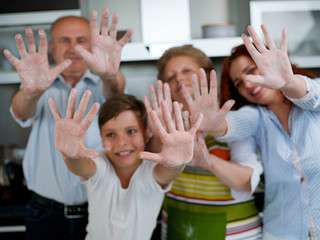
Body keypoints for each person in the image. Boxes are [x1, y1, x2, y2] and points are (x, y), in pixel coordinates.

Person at [3, 8, 132, 239]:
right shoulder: (39, 85)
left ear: (93, 46)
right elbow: (20, 112)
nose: (73, 48)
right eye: (65, 40)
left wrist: (110, 75)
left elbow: (116, 93)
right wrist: (32, 93)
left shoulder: (105, 85)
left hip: (99, 210)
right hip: (44, 214)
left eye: (81, 40)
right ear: (52, 48)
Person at [183, 24, 320, 239]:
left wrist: (288, 82)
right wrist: (211, 124)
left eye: (251, 71)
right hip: (281, 233)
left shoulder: (312, 95)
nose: (247, 83)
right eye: (239, 83)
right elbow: (233, 124)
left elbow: (312, 95)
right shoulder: (257, 117)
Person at [48, 89, 203, 240]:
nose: (121, 142)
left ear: (146, 133)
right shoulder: (101, 163)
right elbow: (82, 167)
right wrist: (70, 156)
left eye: (131, 131)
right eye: (111, 135)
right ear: (101, 139)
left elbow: (168, 172)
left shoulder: (150, 171)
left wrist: (178, 163)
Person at [148, 45, 262, 240]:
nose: (179, 79)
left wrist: (208, 161)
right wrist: (159, 135)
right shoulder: (162, 125)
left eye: (186, 71)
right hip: (178, 227)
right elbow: (152, 171)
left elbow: (246, 181)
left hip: (234, 233)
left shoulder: (231, 121)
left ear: (207, 77)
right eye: (170, 77)